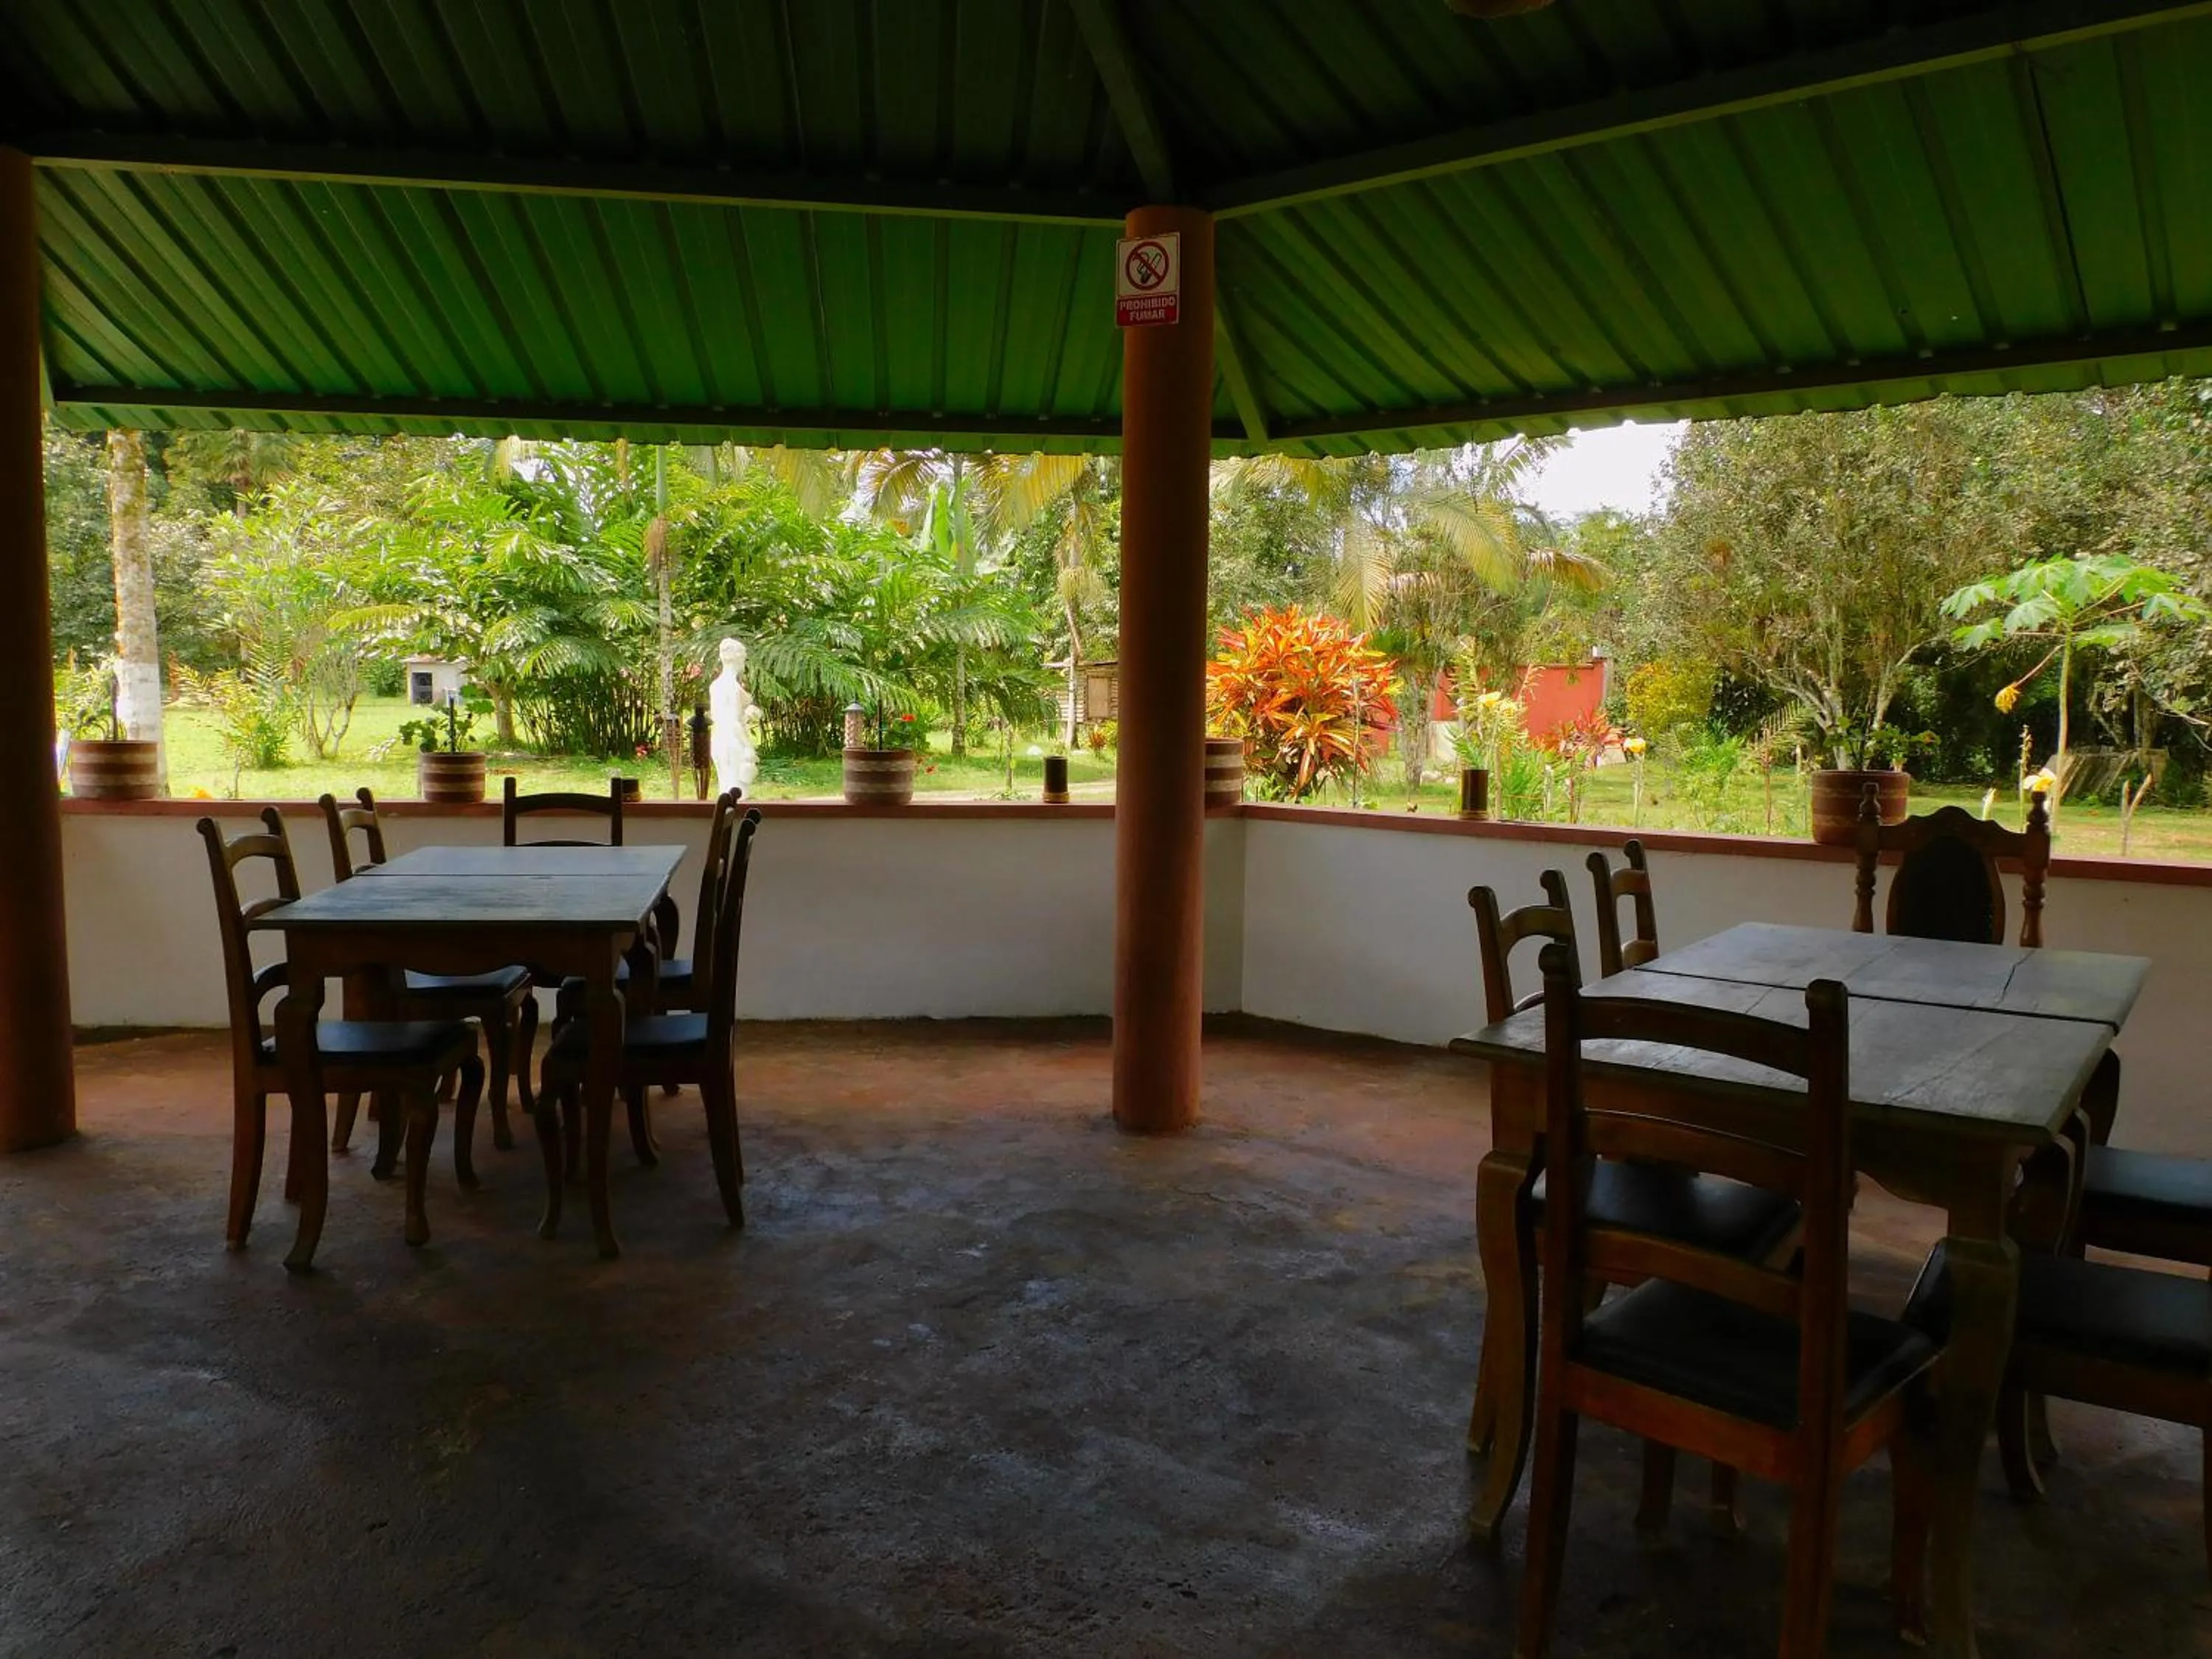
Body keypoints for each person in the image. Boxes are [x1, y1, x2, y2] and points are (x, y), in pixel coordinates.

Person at [708, 636, 758, 796]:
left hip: (719, 740)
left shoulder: (716, 685)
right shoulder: (732, 687)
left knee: (726, 789)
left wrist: (749, 711)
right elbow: (733, 721)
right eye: (743, 657)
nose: (744, 661)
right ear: (736, 659)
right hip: (733, 742)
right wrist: (748, 746)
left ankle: (725, 818)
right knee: (738, 793)